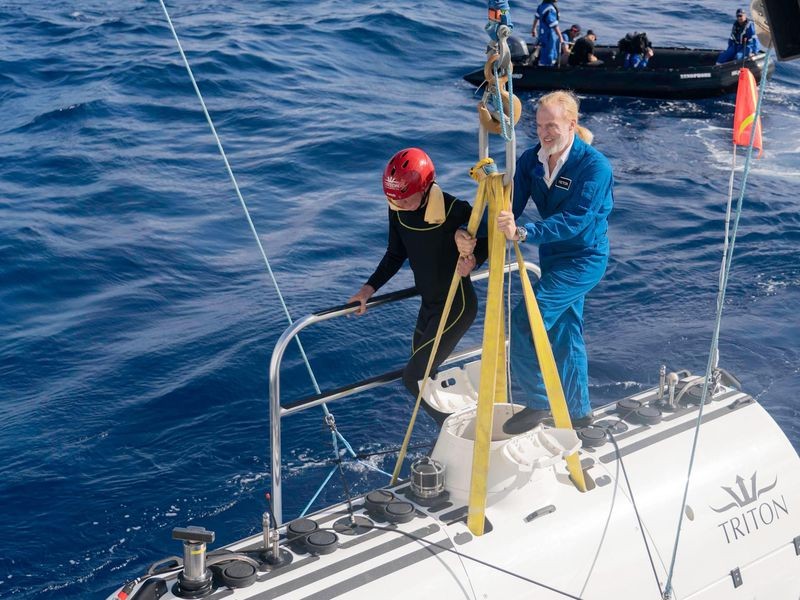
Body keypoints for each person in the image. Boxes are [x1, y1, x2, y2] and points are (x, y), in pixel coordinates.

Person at [455, 91, 613, 434]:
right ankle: (581, 415)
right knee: (566, 332)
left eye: (552, 126)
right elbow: (506, 208)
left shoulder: (594, 167)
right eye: (540, 125)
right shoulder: (530, 161)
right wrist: (471, 239)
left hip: (584, 259)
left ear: (571, 124)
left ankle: (540, 402)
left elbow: (577, 220)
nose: (545, 133)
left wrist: (524, 232)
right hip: (552, 256)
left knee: (528, 317)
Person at [348, 148, 487, 425]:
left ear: (425, 187)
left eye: (405, 198)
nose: (398, 204)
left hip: (456, 306)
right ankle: (459, 422)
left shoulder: (453, 209)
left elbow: (487, 237)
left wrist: (472, 259)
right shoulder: (397, 210)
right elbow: (394, 254)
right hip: (429, 306)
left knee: (413, 377)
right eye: (393, 199)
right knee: (423, 376)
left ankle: (453, 431)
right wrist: (367, 289)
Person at [532, 0, 564, 67]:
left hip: (542, 33)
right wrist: (560, 37)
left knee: (545, 50)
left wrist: (534, 28)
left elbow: (536, 17)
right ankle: (547, 67)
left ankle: (543, 63)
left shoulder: (541, 6)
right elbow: (553, 25)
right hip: (549, 34)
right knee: (549, 51)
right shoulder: (550, 9)